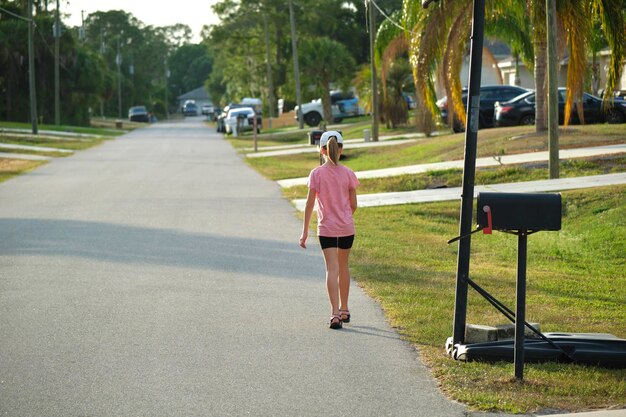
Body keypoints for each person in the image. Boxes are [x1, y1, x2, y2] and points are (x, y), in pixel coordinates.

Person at [299, 131, 359, 329]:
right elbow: (354, 204)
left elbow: (309, 205)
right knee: (344, 267)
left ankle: (334, 314)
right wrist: (345, 217)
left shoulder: (316, 174)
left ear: (321, 150)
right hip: (346, 228)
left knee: (331, 269)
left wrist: (305, 231)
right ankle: (345, 309)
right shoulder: (349, 173)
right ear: (340, 149)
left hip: (326, 229)